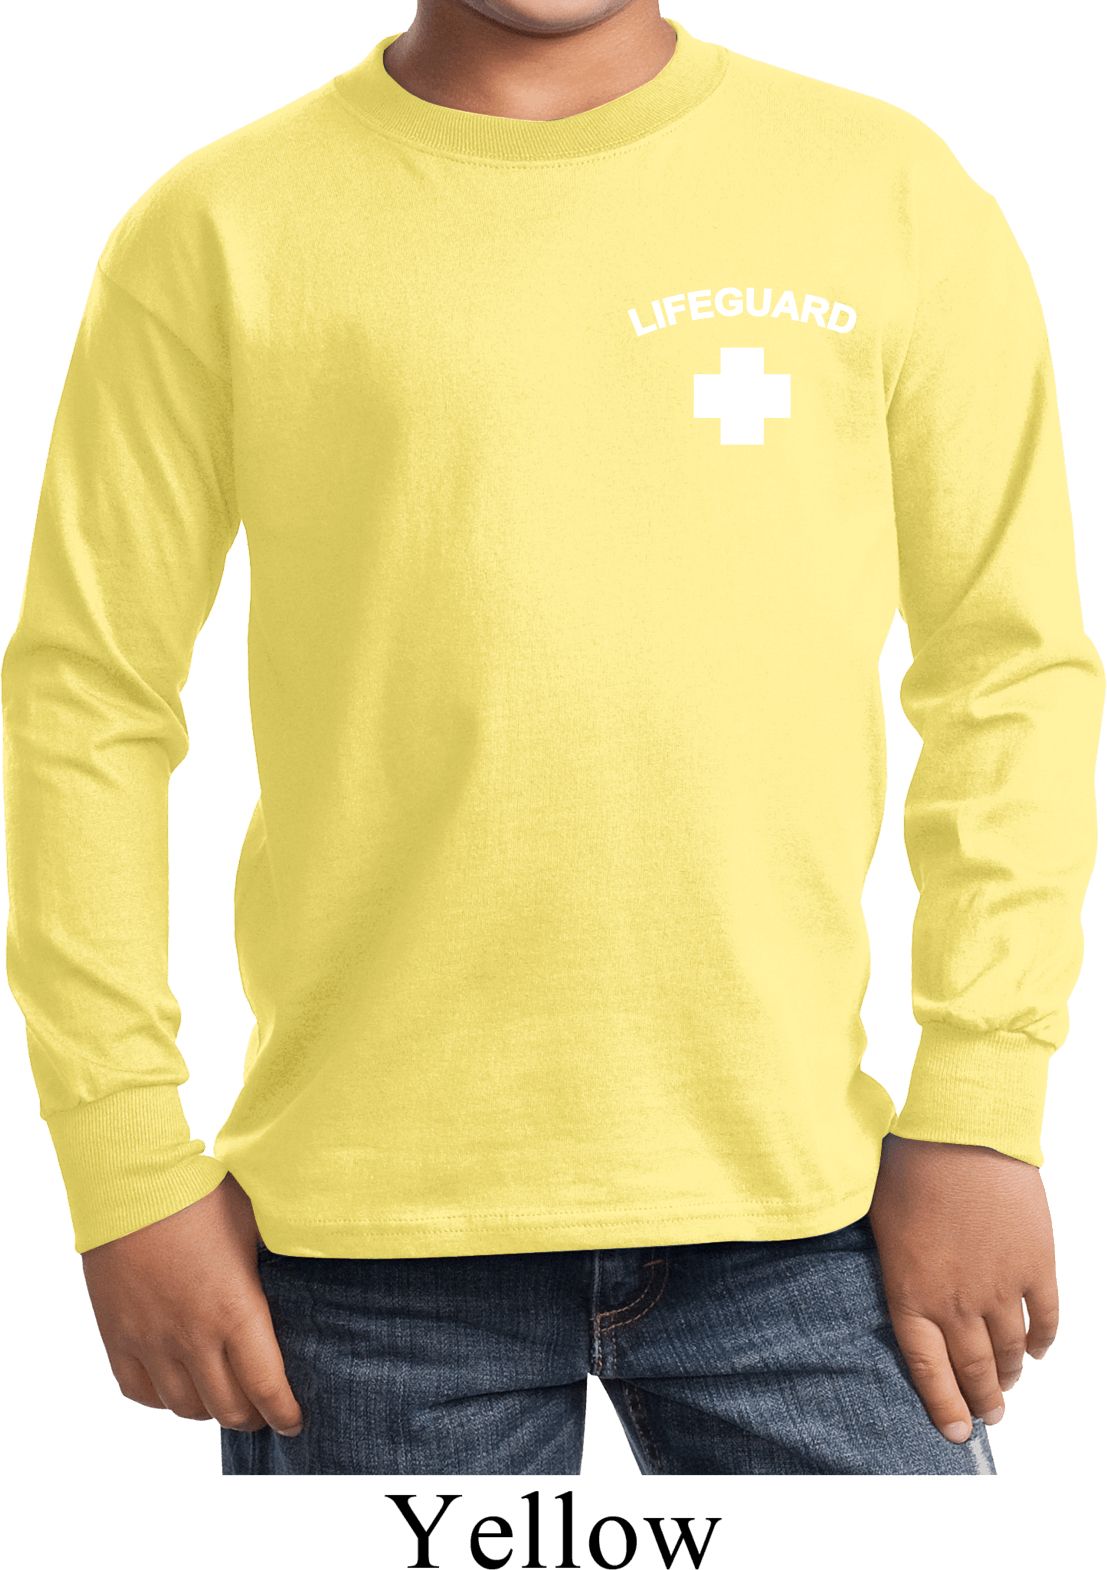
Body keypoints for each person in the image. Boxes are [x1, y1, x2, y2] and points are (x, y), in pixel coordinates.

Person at [2, 0, 1101, 1477]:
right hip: (362, 1243)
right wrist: (125, 1164)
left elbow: (1008, 670)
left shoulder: (887, 191)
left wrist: (982, 1105)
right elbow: (87, 699)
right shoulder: (218, 229)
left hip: (817, 1214)